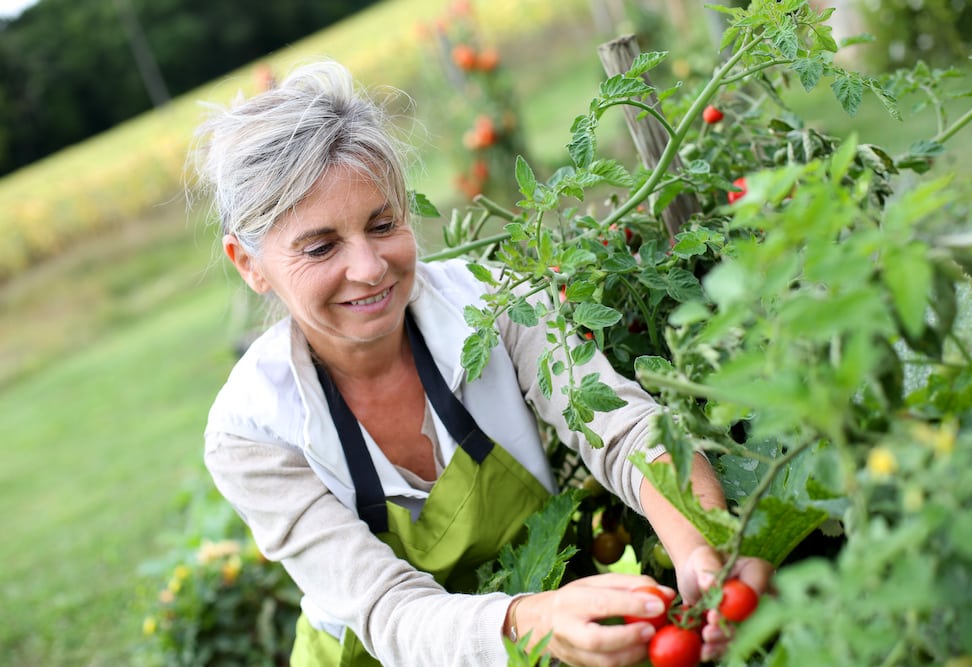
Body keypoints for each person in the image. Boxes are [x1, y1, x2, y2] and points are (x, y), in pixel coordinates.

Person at [192, 59, 772, 667]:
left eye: (383, 224)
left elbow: (624, 433)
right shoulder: (251, 432)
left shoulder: (496, 303)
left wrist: (702, 543)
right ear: (250, 264)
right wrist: (533, 619)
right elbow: (388, 610)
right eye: (321, 246)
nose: (368, 267)